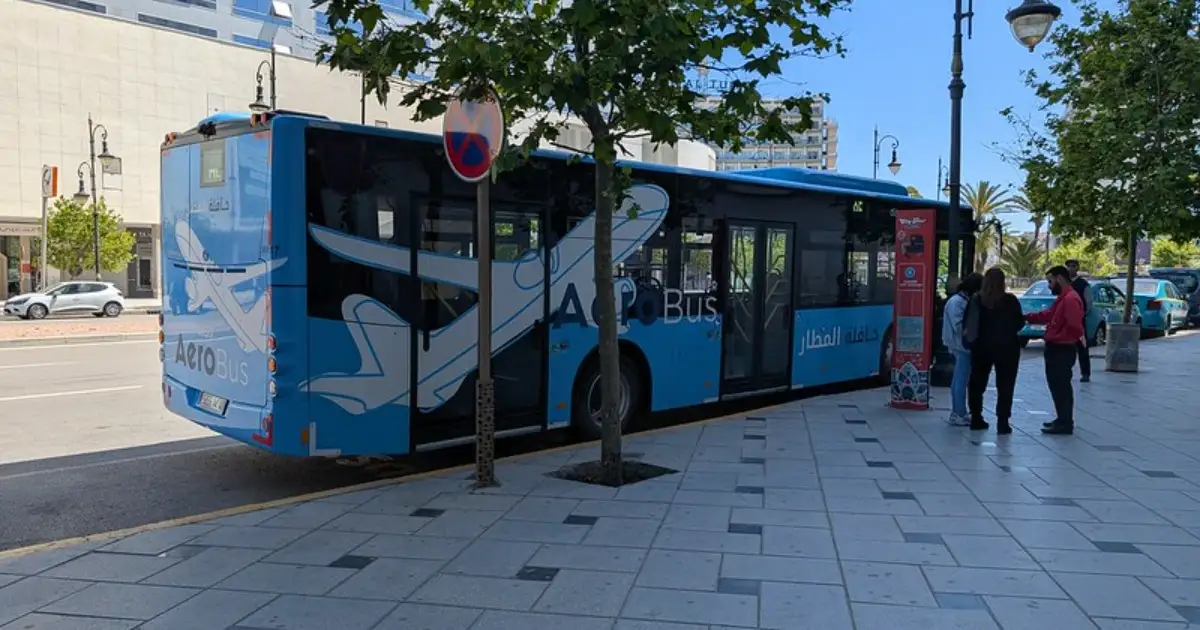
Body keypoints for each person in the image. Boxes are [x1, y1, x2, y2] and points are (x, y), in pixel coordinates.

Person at [1024, 265, 1085, 435]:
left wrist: (1059, 334)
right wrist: (1029, 317)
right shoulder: (1063, 298)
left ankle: (1065, 422)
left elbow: (1074, 326)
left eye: (1050, 281)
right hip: (1057, 347)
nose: (1049, 286)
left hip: (1062, 348)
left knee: (1061, 385)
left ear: (1059, 279)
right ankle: (1062, 418)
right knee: (1057, 385)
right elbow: (1049, 314)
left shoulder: (1070, 299)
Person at [964, 268, 1025, 435]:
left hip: (982, 348)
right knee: (1005, 385)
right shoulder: (1010, 300)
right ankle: (1003, 422)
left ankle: (976, 417)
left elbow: (968, 324)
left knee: (977, 383)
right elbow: (1020, 323)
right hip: (1007, 348)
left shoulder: (977, 300)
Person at [941, 273, 983, 426]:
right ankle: (958, 412)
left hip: (961, 344)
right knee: (960, 378)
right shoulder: (957, 302)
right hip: (961, 345)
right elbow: (959, 326)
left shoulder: (960, 301)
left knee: (960, 378)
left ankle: (959, 411)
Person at [1064, 259, 1093, 382]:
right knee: (1066, 348)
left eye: (1073, 266)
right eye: (1068, 266)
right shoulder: (1064, 283)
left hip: (1079, 321)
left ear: (1077, 268)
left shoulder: (1083, 284)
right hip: (1065, 321)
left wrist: (1081, 315)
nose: (1071, 268)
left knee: (1082, 347)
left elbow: (1088, 303)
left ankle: (1085, 373)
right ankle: (1066, 372)